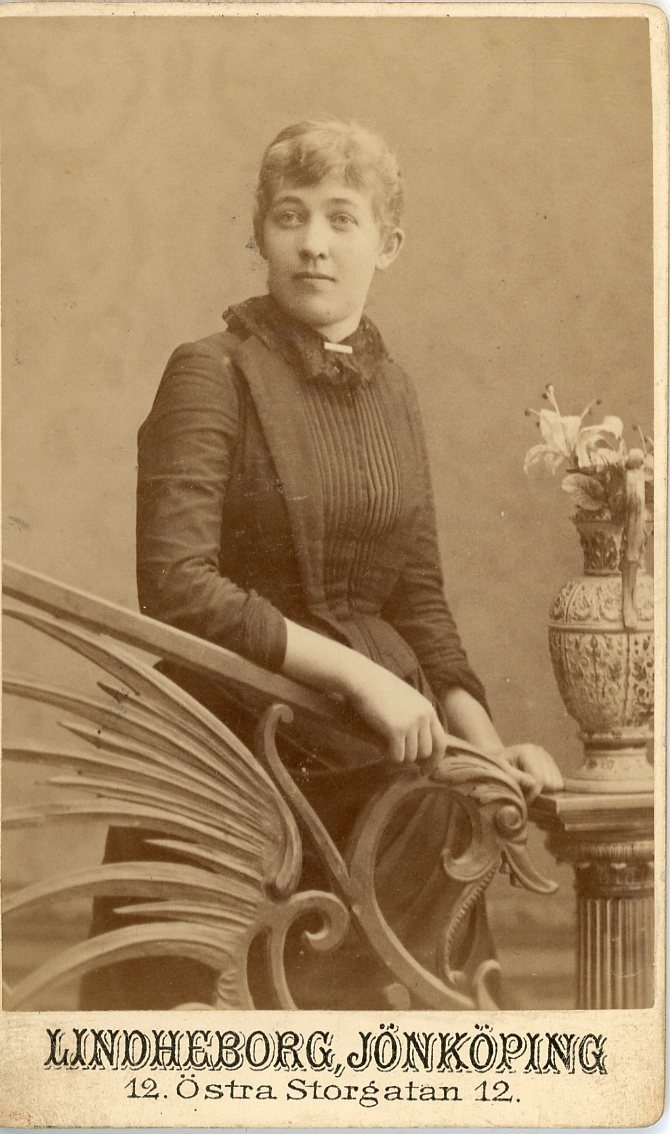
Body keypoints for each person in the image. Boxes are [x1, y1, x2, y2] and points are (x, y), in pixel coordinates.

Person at [81, 119, 562, 1011]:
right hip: (234, 762)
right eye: (290, 216)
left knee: (406, 1045)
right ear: (258, 234)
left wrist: (488, 756)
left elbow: (418, 600)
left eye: (342, 218)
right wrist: (359, 677)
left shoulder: (394, 392)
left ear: (388, 243)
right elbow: (178, 587)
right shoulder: (210, 373)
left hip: (386, 772)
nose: (313, 243)